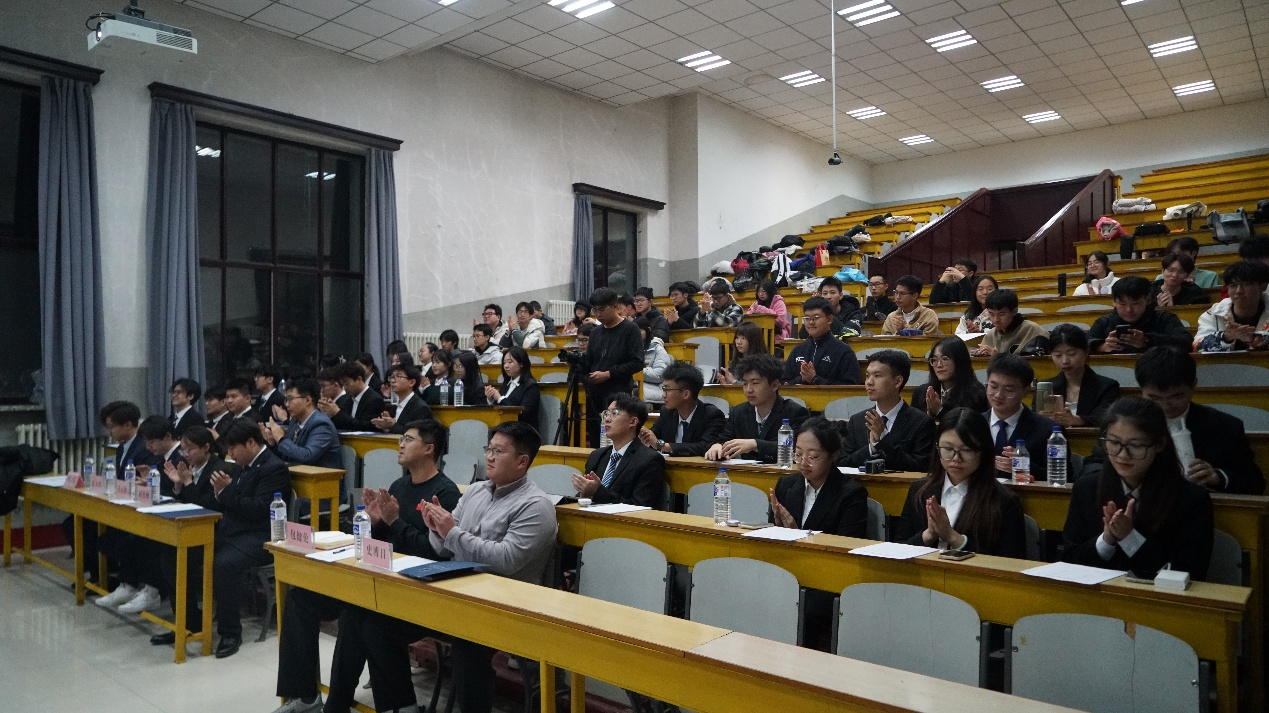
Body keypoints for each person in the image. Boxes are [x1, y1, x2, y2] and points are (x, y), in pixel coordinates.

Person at [269, 420, 461, 713]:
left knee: (358, 613)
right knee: (300, 598)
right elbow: (383, 543)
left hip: (415, 589)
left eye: (408, 439)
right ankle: (305, 695)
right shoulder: (398, 486)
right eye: (401, 439)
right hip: (379, 578)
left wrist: (394, 521)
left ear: (428, 449)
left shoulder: (444, 493)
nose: (400, 444)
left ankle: (342, 703)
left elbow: (433, 554)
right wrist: (373, 523)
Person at [420, 422, 558, 713]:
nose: (489, 457)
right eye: (489, 449)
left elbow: (506, 560)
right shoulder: (475, 491)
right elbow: (444, 548)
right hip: (459, 591)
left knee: (467, 641)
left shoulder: (536, 505)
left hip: (506, 604)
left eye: (498, 451)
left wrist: (451, 532)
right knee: (370, 618)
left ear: (522, 461)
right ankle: (399, 705)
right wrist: (436, 528)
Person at [170, 418, 291, 657]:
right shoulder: (238, 467)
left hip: (261, 535)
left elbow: (259, 510)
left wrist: (226, 492)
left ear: (251, 443)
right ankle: (189, 623)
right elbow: (220, 503)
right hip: (232, 530)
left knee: (224, 564)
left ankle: (230, 632)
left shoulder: (273, 468)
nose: (230, 454)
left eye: (233, 448)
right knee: (179, 551)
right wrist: (215, 493)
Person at [1061, 398, 1214, 580]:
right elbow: (1068, 561)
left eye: (1136, 445)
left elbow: (1190, 573)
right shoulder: (1086, 488)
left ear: (1160, 444)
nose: (1123, 454)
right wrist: (1106, 540)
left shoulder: (1191, 499)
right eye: (1114, 442)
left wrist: (1130, 539)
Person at [893, 408, 1026, 557]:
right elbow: (899, 549)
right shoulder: (919, 491)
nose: (956, 458)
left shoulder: (1004, 501)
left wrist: (954, 538)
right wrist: (929, 535)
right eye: (948, 449)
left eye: (966, 450)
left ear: (983, 451)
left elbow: (1010, 562)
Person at [1133, 347, 1264, 495]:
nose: (1165, 406)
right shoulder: (1129, 424)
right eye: (1154, 398)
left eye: (1176, 396)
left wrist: (1217, 476)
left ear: (1193, 385)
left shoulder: (1224, 426)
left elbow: (1255, 482)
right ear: (1141, 390)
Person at [95, 415, 185, 615]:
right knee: (125, 539)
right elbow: (164, 489)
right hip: (159, 515)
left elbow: (182, 493)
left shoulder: (181, 457)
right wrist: (148, 483)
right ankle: (128, 586)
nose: (148, 447)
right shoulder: (161, 457)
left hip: (178, 520)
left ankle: (152, 592)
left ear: (167, 436)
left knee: (143, 543)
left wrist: (159, 486)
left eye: (151, 442)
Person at [64, 401, 163, 582]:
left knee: (95, 530)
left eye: (112, 427)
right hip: (118, 500)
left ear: (128, 424)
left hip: (134, 507)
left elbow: (143, 483)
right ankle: (99, 571)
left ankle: (106, 574)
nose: (109, 433)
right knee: (73, 522)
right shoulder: (122, 446)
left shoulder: (145, 447)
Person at [769, 416, 867, 535]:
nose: (803, 463)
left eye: (813, 456)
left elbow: (847, 543)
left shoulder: (851, 494)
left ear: (833, 456)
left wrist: (797, 534)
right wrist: (777, 528)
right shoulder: (785, 485)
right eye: (798, 454)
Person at [839, 350, 934, 472]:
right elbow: (843, 463)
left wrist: (883, 440)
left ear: (897, 381)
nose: (869, 382)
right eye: (867, 376)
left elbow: (920, 467)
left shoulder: (922, 422)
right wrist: (872, 448)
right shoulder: (857, 420)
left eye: (877, 376)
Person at [706, 354, 810, 463]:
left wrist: (755, 444)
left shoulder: (795, 413)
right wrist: (717, 446)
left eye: (755, 383)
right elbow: (723, 439)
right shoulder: (738, 412)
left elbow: (794, 450)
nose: (748, 390)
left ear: (775, 385)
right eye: (745, 383)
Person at [572, 394, 667, 508]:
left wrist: (597, 492)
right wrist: (583, 495)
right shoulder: (597, 456)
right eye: (606, 413)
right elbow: (585, 496)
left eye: (614, 413)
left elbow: (641, 506)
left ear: (633, 422)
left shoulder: (649, 460)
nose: (607, 419)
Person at [582, 287, 644, 448]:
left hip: (618, 392)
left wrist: (608, 374)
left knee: (616, 438)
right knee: (596, 439)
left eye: (602, 309)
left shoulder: (630, 329)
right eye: (595, 310)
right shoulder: (595, 333)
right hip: (595, 393)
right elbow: (590, 362)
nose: (598, 314)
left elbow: (637, 362)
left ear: (615, 306)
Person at [984, 354, 1063, 481]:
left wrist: (1024, 466)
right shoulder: (974, 423)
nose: (998, 395)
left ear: (1026, 391)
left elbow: (1064, 477)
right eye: (993, 387)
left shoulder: (1047, 430)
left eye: (1009, 390)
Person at [640, 361, 727, 456]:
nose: (663, 395)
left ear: (686, 394)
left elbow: (705, 446)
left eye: (667, 389)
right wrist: (644, 436)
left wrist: (663, 446)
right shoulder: (667, 412)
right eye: (663, 389)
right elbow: (653, 438)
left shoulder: (711, 415)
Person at [1087, 276, 1192, 354]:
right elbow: (1084, 345)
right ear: (1114, 302)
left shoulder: (1165, 318)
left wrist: (1147, 340)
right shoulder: (1103, 322)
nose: (1129, 310)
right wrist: (1102, 347)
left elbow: (1186, 343)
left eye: (1135, 303)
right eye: (1123, 304)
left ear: (1147, 300)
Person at [1044, 324, 1120, 428]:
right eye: (1058, 355)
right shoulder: (1046, 387)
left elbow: (1104, 418)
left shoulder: (1107, 387)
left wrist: (1077, 420)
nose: (1065, 361)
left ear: (1086, 352)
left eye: (1072, 354)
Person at [260, 378, 342, 470]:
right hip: (297, 474)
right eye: (286, 400)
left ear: (308, 400)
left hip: (319, 477)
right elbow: (287, 456)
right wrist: (273, 443)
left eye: (290, 399)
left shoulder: (321, 424)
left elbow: (307, 456)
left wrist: (281, 439)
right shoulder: (294, 422)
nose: (286, 404)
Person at [782, 296, 861, 385]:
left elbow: (851, 387)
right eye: (807, 318)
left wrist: (815, 379)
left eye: (816, 317)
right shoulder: (797, 350)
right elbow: (785, 383)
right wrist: (802, 379)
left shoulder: (844, 351)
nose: (811, 322)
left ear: (829, 319)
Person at [1194, 259, 1269, 351]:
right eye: (1233, 285)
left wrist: (1253, 339)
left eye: (1246, 285)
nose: (1238, 291)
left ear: (1263, 286)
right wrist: (1226, 337)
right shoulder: (1213, 314)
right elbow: (1197, 346)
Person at [910, 337, 988, 420]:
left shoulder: (977, 394)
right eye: (935, 360)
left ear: (959, 361)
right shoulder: (921, 393)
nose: (939, 365)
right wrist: (928, 415)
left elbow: (966, 426)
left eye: (945, 359)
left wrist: (939, 412)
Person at [971, 289, 1049, 356]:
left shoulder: (1033, 330)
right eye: (991, 314)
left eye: (1001, 314)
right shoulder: (991, 335)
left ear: (1014, 311)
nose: (996, 319)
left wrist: (997, 356)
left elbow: (1037, 364)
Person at [320, 361, 386, 432]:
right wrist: (331, 413)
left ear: (359, 379)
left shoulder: (375, 400)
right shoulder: (347, 400)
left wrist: (338, 413)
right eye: (343, 385)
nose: (345, 388)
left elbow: (366, 427)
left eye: (347, 384)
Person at [485, 346, 541, 427]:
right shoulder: (507, 383)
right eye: (504, 362)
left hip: (523, 429)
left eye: (510, 362)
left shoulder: (531, 386)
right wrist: (491, 399)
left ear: (521, 363)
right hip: (504, 426)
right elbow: (499, 408)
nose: (506, 366)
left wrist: (500, 398)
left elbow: (524, 415)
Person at [373, 364, 433, 434]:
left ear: (411, 382)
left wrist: (393, 425)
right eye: (392, 377)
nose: (392, 381)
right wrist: (386, 427)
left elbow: (417, 435)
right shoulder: (396, 406)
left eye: (398, 376)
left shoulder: (421, 408)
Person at [1156, 236, 1221, 288]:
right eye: (1172, 254)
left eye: (1180, 253)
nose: (1177, 257)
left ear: (1193, 253)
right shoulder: (1161, 277)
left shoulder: (1210, 276)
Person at [636, 315, 673, 405]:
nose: (636, 334)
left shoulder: (658, 349)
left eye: (640, 331)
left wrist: (635, 370)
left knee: (631, 391)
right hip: (637, 385)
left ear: (648, 330)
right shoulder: (631, 348)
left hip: (655, 388)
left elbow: (659, 375)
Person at [718, 321, 768, 385]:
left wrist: (734, 382)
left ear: (754, 340)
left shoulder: (763, 364)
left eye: (743, 338)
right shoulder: (735, 362)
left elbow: (755, 387)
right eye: (737, 338)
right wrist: (726, 385)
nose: (738, 342)